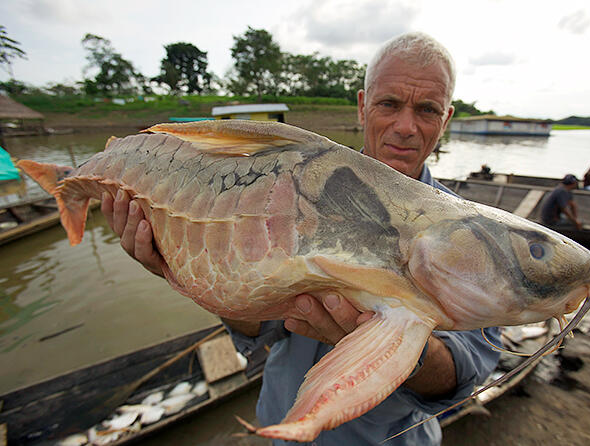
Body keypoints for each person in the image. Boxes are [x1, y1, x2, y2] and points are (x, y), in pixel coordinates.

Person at [101, 32, 501, 446]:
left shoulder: (471, 235)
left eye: (426, 109)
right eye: (389, 104)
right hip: (281, 434)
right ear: (363, 107)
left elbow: (467, 370)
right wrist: (176, 267)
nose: (405, 126)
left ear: (446, 119)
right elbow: (263, 330)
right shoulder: (285, 190)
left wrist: (403, 348)